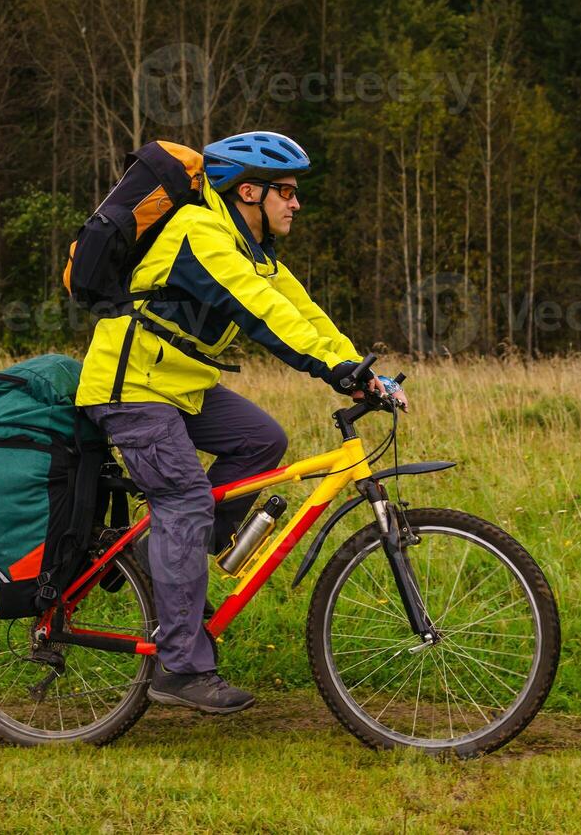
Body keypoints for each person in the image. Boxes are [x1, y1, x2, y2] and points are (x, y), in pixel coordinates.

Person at [77, 131, 407, 715]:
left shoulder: (253, 253)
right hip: (132, 388)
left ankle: (170, 565)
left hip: (180, 384)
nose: (295, 204)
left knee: (262, 440)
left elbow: (303, 311)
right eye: (286, 192)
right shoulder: (201, 234)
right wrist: (335, 371)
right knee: (184, 500)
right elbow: (262, 312)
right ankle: (178, 669)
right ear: (247, 191)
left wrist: (359, 370)